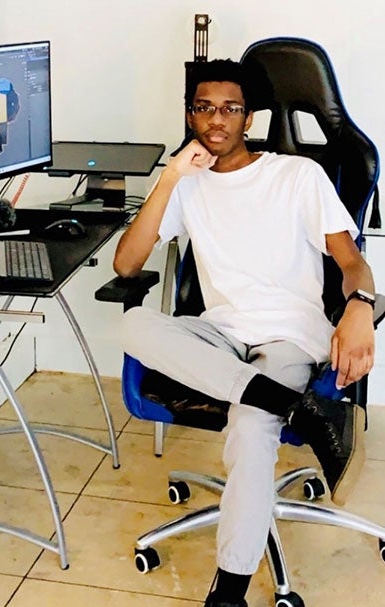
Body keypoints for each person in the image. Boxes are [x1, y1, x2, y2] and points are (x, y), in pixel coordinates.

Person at [113, 60, 376, 607]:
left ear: (248, 118)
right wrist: (169, 178)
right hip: (220, 338)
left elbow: (351, 261)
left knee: (252, 426)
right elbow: (126, 264)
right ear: (191, 115)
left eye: (230, 108)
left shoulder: (296, 175)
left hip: (288, 339)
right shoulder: (186, 186)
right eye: (204, 107)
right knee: (133, 323)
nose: (217, 119)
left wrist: (358, 307)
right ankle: (295, 407)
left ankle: (229, 590)